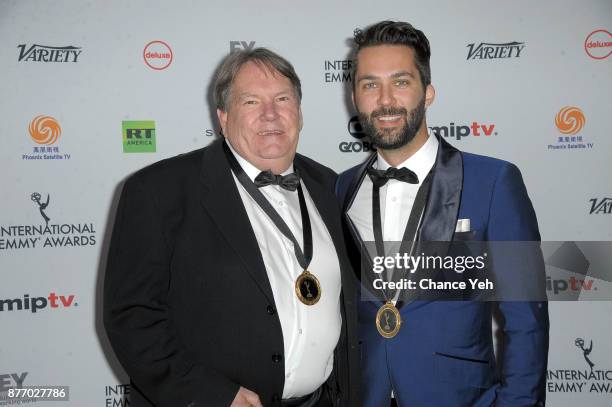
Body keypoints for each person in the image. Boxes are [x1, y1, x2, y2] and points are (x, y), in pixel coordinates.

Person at [104, 48, 360, 407]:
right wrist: (212, 395)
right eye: (252, 101)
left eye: (283, 99)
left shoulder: (331, 186)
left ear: (299, 113)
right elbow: (132, 317)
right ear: (223, 117)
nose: (271, 114)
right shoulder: (159, 191)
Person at [336, 21, 549, 407]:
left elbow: (526, 320)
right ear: (355, 97)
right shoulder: (341, 189)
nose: (385, 100)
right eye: (370, 85)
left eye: (400, 82)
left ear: (427, 92)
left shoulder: (494, 182)